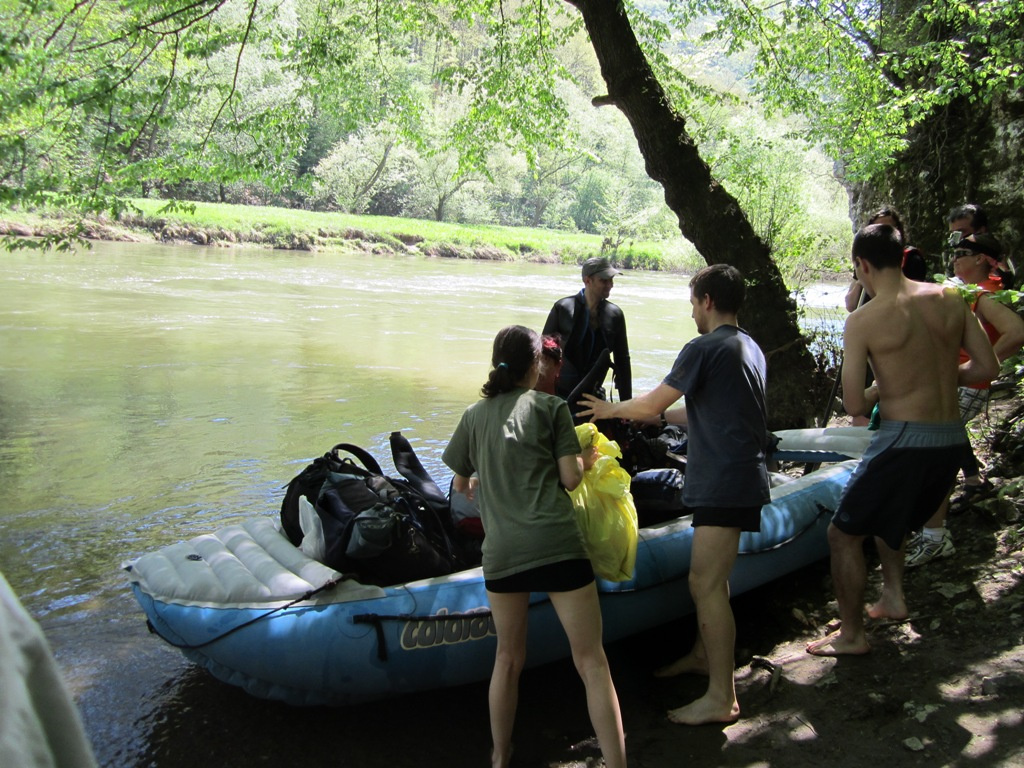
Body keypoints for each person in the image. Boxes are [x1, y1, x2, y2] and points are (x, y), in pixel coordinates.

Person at [577, 264, 769, 726]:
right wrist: (660, 421)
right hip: (741, 475)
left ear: (706, 301)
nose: (691, 314)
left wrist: (610, 408)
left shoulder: (703, 346)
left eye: (692, 304)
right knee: (713, 581)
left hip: (725, 480)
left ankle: (722, 697)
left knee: (703, 584)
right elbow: (703, 410)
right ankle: (705, 656)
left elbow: (649, 402)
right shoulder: (748, 346)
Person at [806, 224, 999, 657]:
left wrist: (883, 389)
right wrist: (938, 374)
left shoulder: (864, 319)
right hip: (950, 442)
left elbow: (854, 401)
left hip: (903, 439)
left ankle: (852, 635)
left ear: (862, 266)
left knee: (842, 535)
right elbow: (987, 368)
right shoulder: (950, 298)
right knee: (891, 516)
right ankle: (892, 596)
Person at [442, 325, 626, 768]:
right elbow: (570, 478)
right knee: (592, 663)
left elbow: (461, 484)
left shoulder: (473, 415)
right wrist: (585, 459)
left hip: (503, 553)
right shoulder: (550, 407)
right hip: (558, 545)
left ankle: (500, 756)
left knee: (507, 660)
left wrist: (492, 475)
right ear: (536, 364)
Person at [905, 233, 1024, 566]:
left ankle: (935, 536)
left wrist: (983, 365)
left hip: (968, 384)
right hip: (960, 381)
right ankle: (931, 530)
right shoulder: (973, 293)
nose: (955, 259)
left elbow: (1017, 331)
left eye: (963, 253)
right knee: (937, 449)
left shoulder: (986, 296)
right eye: (953, 252)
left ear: (982, 260)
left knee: (934, 451)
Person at [543, 256, 632, 410]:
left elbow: (622, 362)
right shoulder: (563, 308)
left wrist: (626, 406)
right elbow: (543, 353)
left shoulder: (615, 315)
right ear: (587, 280)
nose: (610, 285)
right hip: (560, 395)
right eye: (604, 280)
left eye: (611, 280)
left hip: (594, 399)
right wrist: (540, 395)